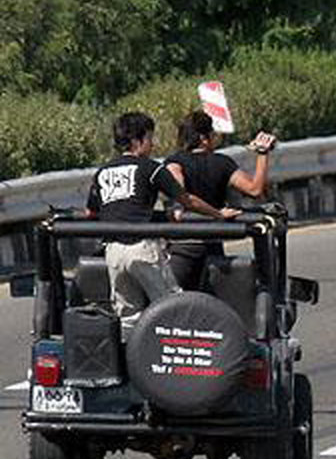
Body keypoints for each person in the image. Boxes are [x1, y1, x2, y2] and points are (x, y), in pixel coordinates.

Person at [84, 112, 239, 332]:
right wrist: (218, 214)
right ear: (137, 141)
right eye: (149, 138)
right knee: (172, 307)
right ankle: (177, 359)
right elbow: (187, 199)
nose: (153, 144)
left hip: (113, 251)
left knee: (128, 316)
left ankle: (131, 361)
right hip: (142, 247)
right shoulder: (150, 168)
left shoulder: (101, 173)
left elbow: (91, 212)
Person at [165, 111, 277, 289]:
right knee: (216, 308)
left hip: (182, 247)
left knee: (173, 305)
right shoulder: (222, 163)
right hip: (213, 244)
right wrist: (262, 154)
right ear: (203, 138)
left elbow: (179, 193)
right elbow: (255, 190)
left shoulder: (174, 162)